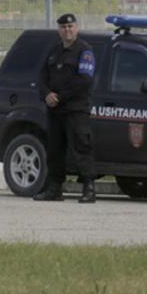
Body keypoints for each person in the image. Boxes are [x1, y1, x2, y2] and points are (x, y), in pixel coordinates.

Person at [34, 12, 97, 203]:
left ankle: (89, 188)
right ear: (59, 30)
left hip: (76, 110)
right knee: (54, 150)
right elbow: (42, 78)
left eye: (70, 27)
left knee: (81, 148)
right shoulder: (54, 52)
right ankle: (54, 188)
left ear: (76, 28)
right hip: (55, 111)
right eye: (63, 27)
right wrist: (46, 95)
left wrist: (59, 97)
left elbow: (84, 81)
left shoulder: (84, 51)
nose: (67, 30)